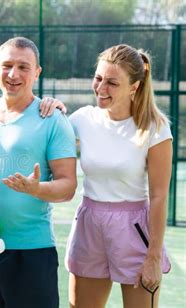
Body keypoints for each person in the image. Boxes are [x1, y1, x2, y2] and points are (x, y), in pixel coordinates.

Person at [0, 37, 77, 307]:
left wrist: (37, 188)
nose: (13, 74)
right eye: (7, 65)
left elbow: (68, 186)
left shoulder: (53, 119)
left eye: (23, 66)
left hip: (32, 252)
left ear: (37, 72)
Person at [47, 44, 171, 308]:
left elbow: (159, 196)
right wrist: (53, 109)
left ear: (134, 87)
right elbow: (50, 141)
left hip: (135, 230)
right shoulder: (82, 119)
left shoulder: (155, 127)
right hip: (89, 226)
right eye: (99, 78)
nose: (101, 89)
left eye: (112, 83)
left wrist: (153, 257)